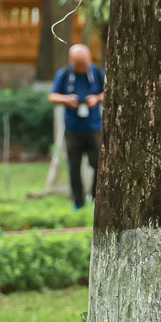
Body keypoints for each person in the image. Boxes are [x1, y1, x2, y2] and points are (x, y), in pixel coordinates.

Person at [49, 43, 105, 212]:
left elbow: (109, 91)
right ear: (72, 61)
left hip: (94, 127)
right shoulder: (65, 74)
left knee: (99, 164)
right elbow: (53, 96)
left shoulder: (97, 72)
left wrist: (97, 98)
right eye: (81, 63)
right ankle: (78, 202)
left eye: (87, 61)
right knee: (74, 167)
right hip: (72, 129)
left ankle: (96, 196)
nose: (85, 65)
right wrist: (67, 100)